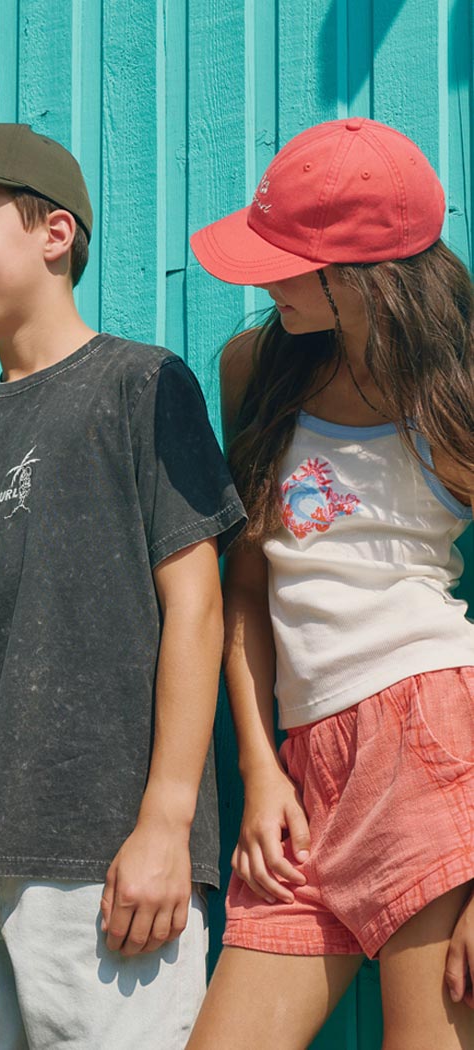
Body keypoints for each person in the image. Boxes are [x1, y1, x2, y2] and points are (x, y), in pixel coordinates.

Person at [0, 122, 245, 1048]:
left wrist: (166, 822)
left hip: (110, 861)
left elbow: (197, 607)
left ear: (56, 233)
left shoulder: (141, 386)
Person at [186, 117, 474, 1049]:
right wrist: (259, 765)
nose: (263, 281)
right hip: (304, 765)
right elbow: (246, 582)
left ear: (360, 275)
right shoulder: (256, 368)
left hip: (429, 733)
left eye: (285, 262)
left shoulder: (457, 391)